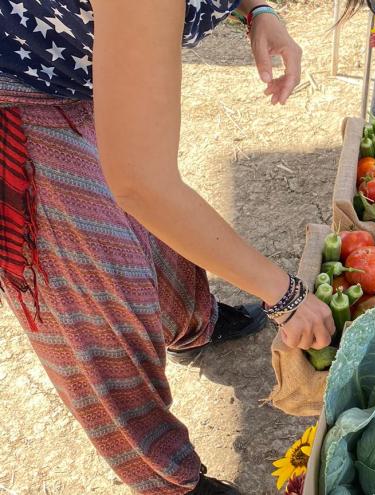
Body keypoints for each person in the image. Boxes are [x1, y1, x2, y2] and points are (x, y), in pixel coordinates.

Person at [0, 1, 333, 494]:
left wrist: (258, 8)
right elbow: (143, 186)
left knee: (159, 230)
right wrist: (283, 294)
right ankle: (169, 479)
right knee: (93, 294)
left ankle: (190, 325)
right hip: (21, 84)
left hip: (81, 65)